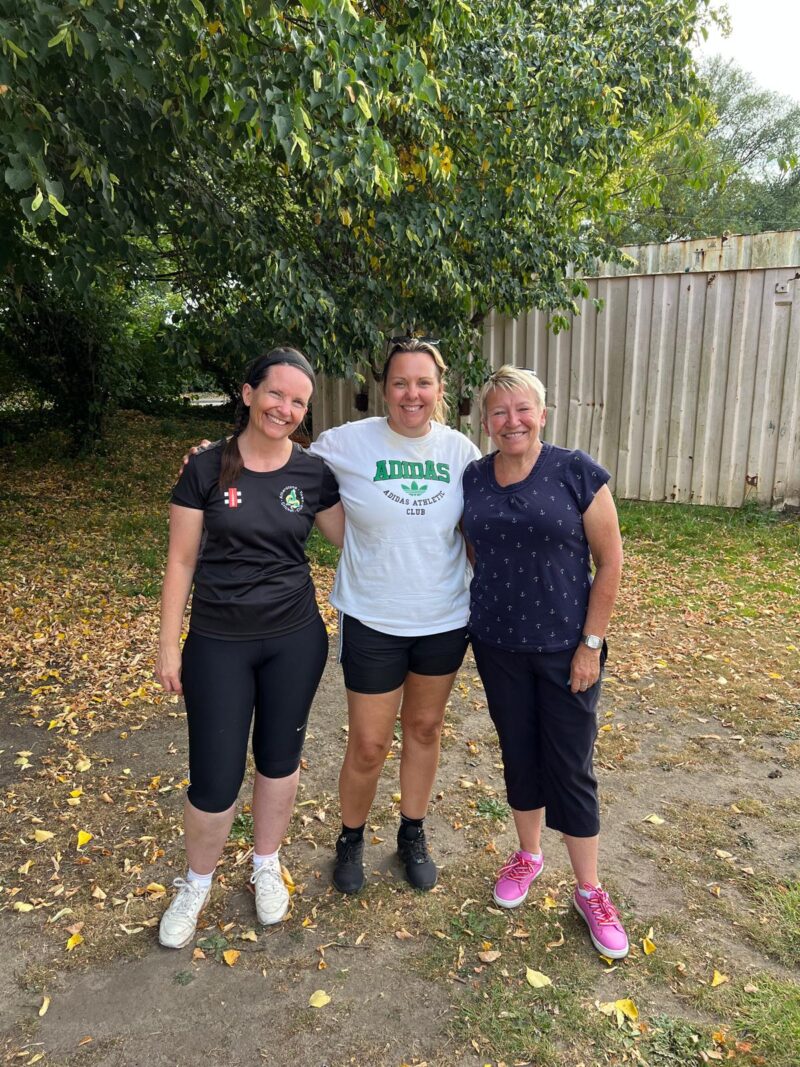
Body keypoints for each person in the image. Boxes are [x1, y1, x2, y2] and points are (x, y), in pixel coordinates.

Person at [156, 348, 343, 949]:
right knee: (214, 778)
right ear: (247, 393)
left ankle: (266, 864)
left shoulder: (313, 475)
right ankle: (197, 882)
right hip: (217, 642)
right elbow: (181, 561)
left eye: (298, 402)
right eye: (275, 394)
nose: (285, 409)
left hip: (294, 639)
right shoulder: (205, 468)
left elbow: (359, 541)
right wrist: (168, 646)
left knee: (278, 760)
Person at [461, 365, 628, 959]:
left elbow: (609, 561)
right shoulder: (475, 477)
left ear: (543, 414)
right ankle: (528, 855)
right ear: (486, 422)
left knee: (571, 763)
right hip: (498, 645)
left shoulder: (575, 471)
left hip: (566, 648)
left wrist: (590, 643)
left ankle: (590, 890)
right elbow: (477, 547)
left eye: (523, 409)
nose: (513, 421)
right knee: (519, 751)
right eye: (500, 412)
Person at [309, 338, 481, 893]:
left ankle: (412, 832)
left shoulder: (462, 452)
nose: (412, 394)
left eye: (423, 383)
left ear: (439, 389)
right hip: (374, 617)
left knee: (425, 729)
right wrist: (216, 452)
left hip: (444, 617)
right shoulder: (345, 443)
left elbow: (486, 525)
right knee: (368, 744)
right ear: (384, 388)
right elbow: (275, 459)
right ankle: (351, 838)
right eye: (401, 383)